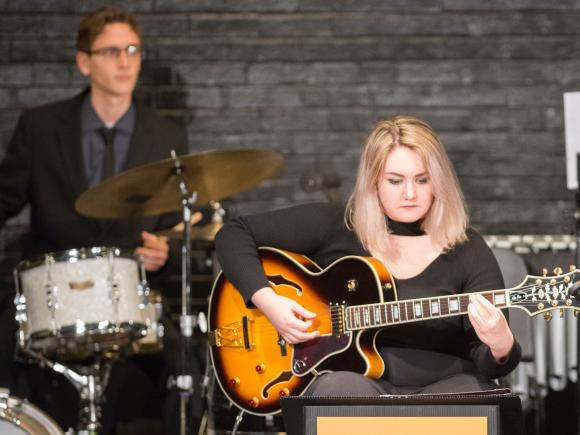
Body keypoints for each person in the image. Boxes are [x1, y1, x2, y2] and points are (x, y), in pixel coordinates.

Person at [215, 115, 521, 398]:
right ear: (374, 181)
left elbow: (491, 365)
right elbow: (233, 234)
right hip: (356, 386)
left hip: (447, 386)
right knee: (336, 390)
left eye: (422, 179)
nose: (410, 194)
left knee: (477, 395)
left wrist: (501, 344)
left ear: (439, 182)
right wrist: (269, 302)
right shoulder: (337, 225)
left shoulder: (468, 248)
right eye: (395, 180)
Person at [0, 6, 198, 434]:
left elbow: (177, 227)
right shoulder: (39, 127)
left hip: (130, 300)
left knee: (187, 368)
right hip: (48, 301)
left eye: (132, 49)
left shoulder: (166, 135)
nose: (125, 61)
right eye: (111, 51)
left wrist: (168, 249)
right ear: (83, 61)